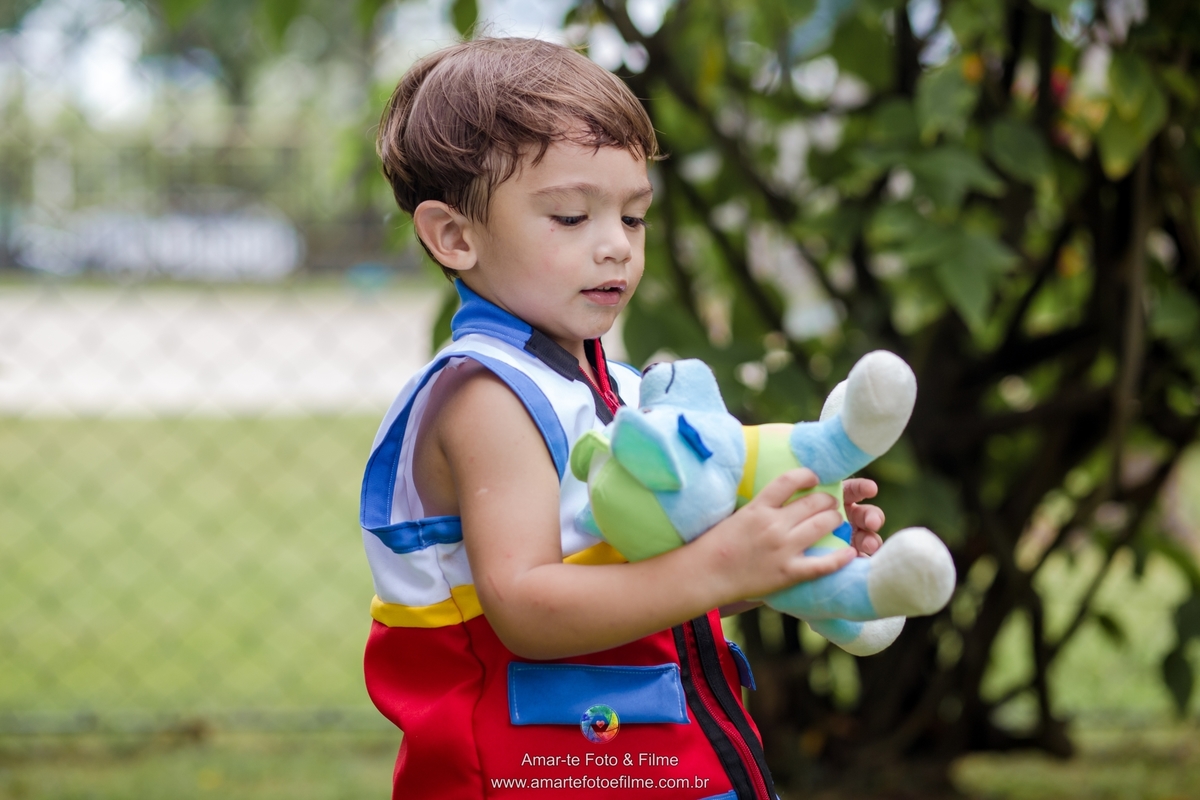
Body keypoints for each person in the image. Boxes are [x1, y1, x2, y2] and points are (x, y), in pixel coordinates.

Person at [360, 37, 886, 800]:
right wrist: (721, 565)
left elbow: (651, 591)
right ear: (454, 236)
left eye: (634, 218)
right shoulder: (489, 399)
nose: (616, 247)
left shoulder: (622, 391)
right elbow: (528, 609)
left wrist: (780, 556)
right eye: (571, 216)